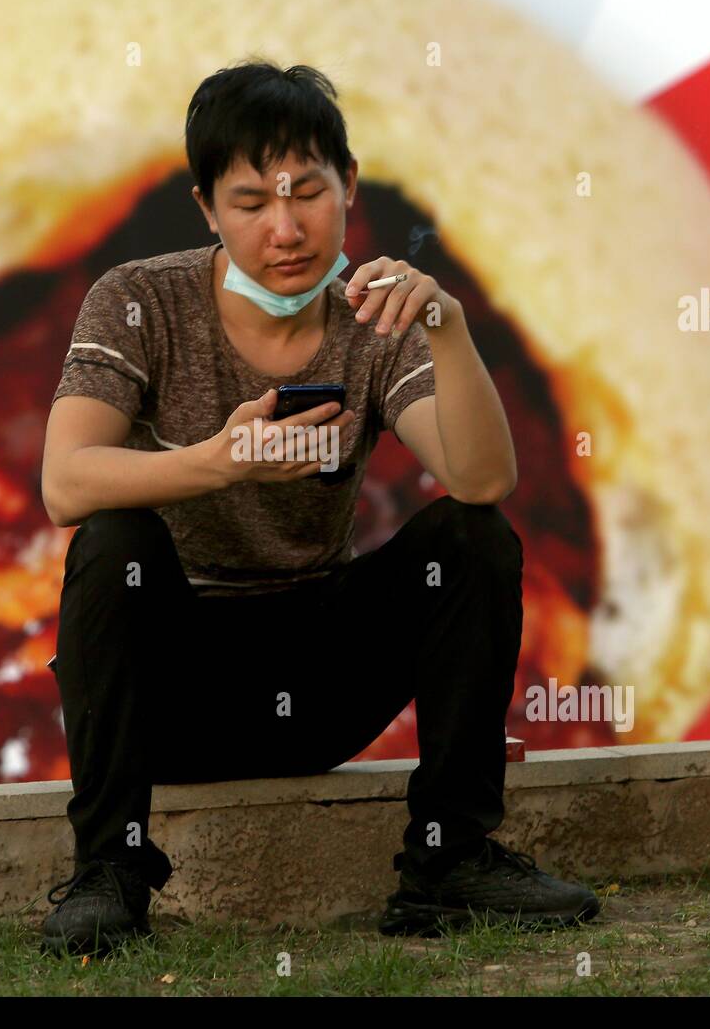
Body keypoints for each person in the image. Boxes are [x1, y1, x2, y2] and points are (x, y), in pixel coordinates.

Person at [37, 59, 598, 956]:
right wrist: (216, 462)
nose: (285, 228)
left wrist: (448, 327)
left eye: (308, 193)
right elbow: (66, 482)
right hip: (176, 688)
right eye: (252, 200)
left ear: (350, 187)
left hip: (323, 674)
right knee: (114, 539)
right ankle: (111, 868)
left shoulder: (376, 314)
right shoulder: (140, 300)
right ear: (207, 208)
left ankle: (449, 861)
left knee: (470, 538)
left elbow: (483, 480)